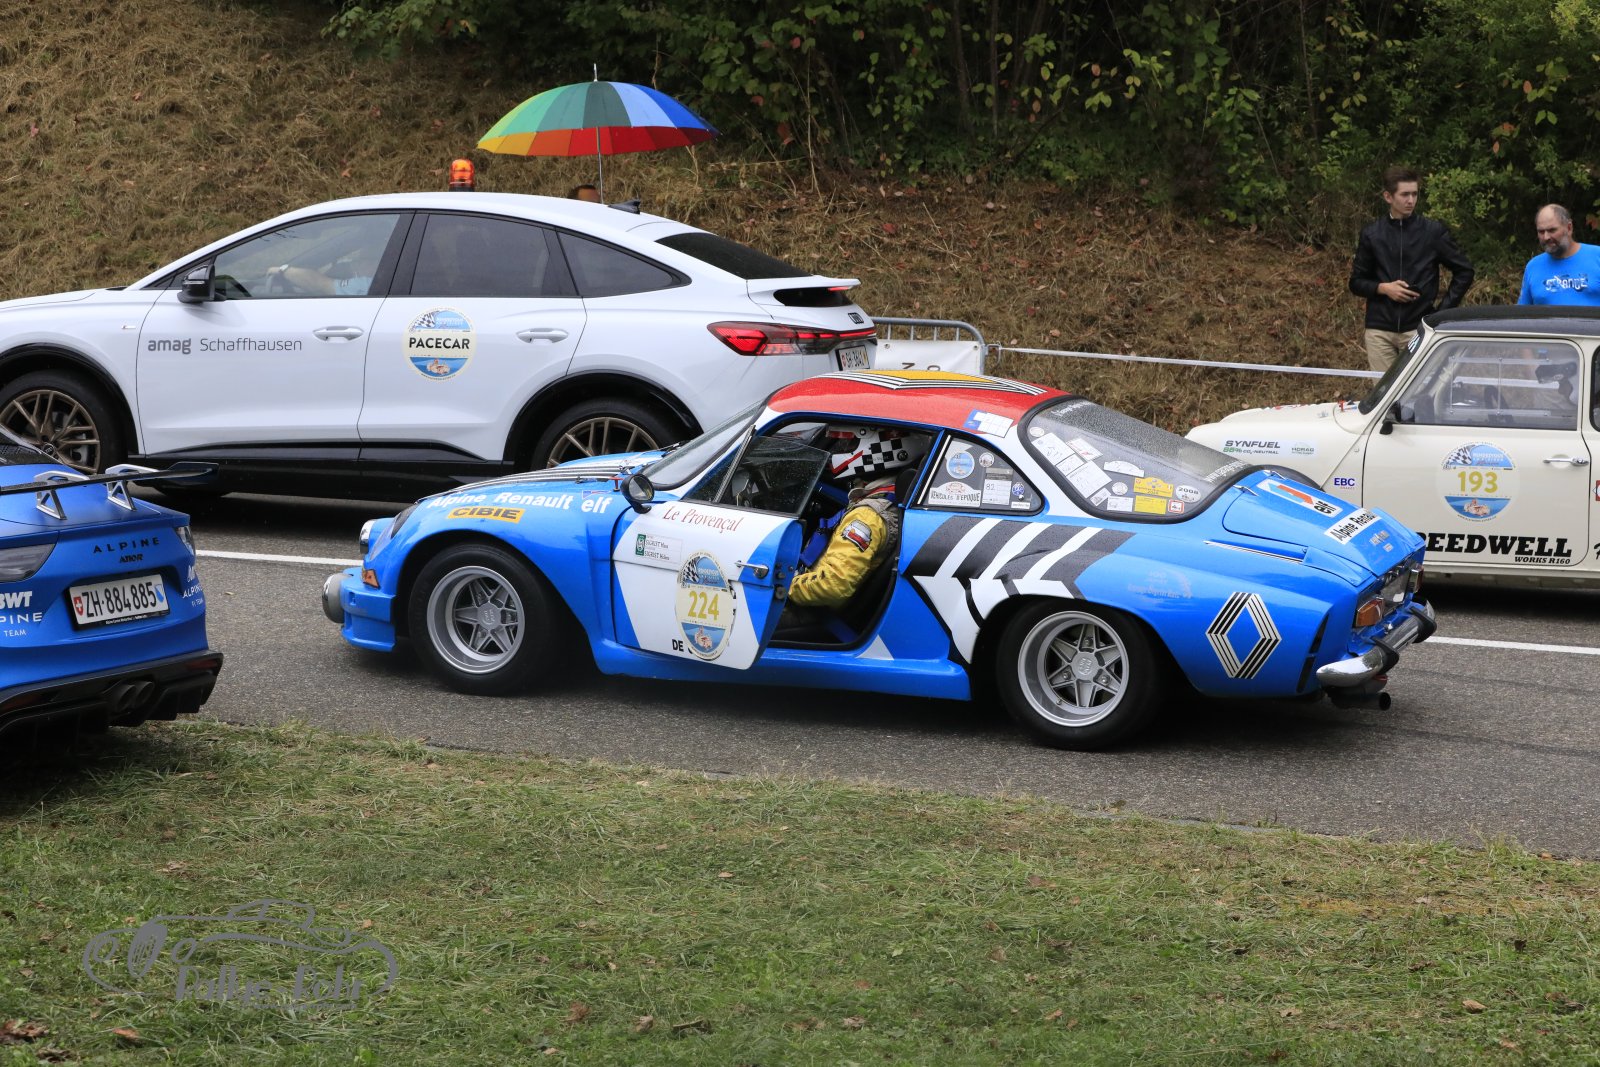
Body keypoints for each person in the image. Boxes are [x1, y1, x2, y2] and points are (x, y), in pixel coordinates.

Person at [1348, 165, 1475, 372]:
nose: (1411, 200)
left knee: (1422, 389)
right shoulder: (1372, 234)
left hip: (1419, 328)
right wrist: (1384, 288)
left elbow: (1465, 271)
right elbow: (1356, 282)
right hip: (1379, 330)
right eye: (1405, 194)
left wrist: (1440, 314)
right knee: (1384, 390)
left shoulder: (1432, 232)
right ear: (1388, 197)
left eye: (1414, 194)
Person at [788, 426, 926, 612]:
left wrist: (783, 586)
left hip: (806, 610)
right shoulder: (887, 499)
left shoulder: (867, 517)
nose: (844, 450)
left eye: (851, 444)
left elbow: (834, 585)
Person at [1518, 204, 1600, 306]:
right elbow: (1522, 313)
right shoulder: (1533, 267)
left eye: (1552, 230)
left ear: (1569, 228)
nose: (1546, 237)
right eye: (1541, 232)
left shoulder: (1597, 257)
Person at [266, 245, 380, 296]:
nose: (356, 265)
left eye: (363, 261)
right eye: (357, 261)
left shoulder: (367, 285)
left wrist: (282, 270)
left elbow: (318, 283)